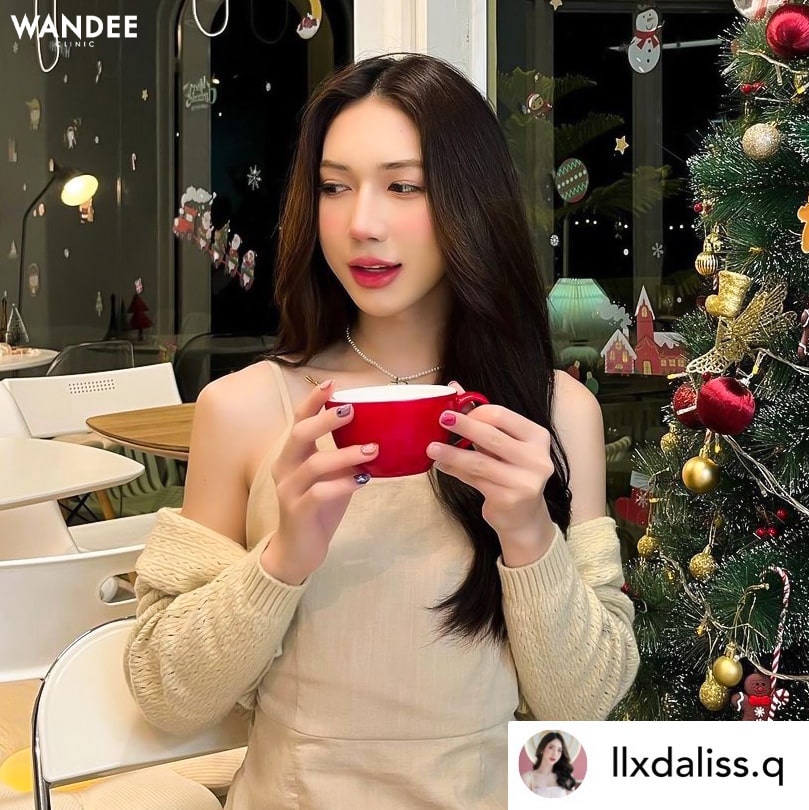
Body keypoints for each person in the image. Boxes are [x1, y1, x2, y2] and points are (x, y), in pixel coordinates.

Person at [125, 52, 639, 809]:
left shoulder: (554, 414)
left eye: (404, 186)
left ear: (471, 200)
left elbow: (583, 707)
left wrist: (528, 535)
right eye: (335, 187)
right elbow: (165, 694)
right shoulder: (243, 409)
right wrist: (283, 557)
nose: (361, 224)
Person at [521, 732, 578, 798]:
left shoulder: (567, 777)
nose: (555, 754)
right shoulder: (528, 778)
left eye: (559, 750)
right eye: (551, 747)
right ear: (542, 749)